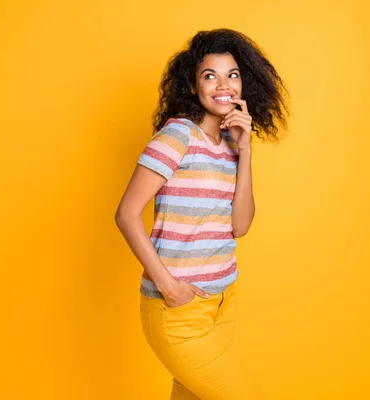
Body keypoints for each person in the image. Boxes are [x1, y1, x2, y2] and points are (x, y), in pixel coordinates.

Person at [115, 28, 289, 400]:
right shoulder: (178, 135)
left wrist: (246, 152)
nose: (223, 85)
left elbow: (239, 226)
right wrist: (168, 286)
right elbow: (127, 214)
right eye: (210, 75)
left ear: (245, 86)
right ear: (192, 87)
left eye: (233, 75)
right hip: (179, 310)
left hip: (222, 302)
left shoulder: (230, 143)